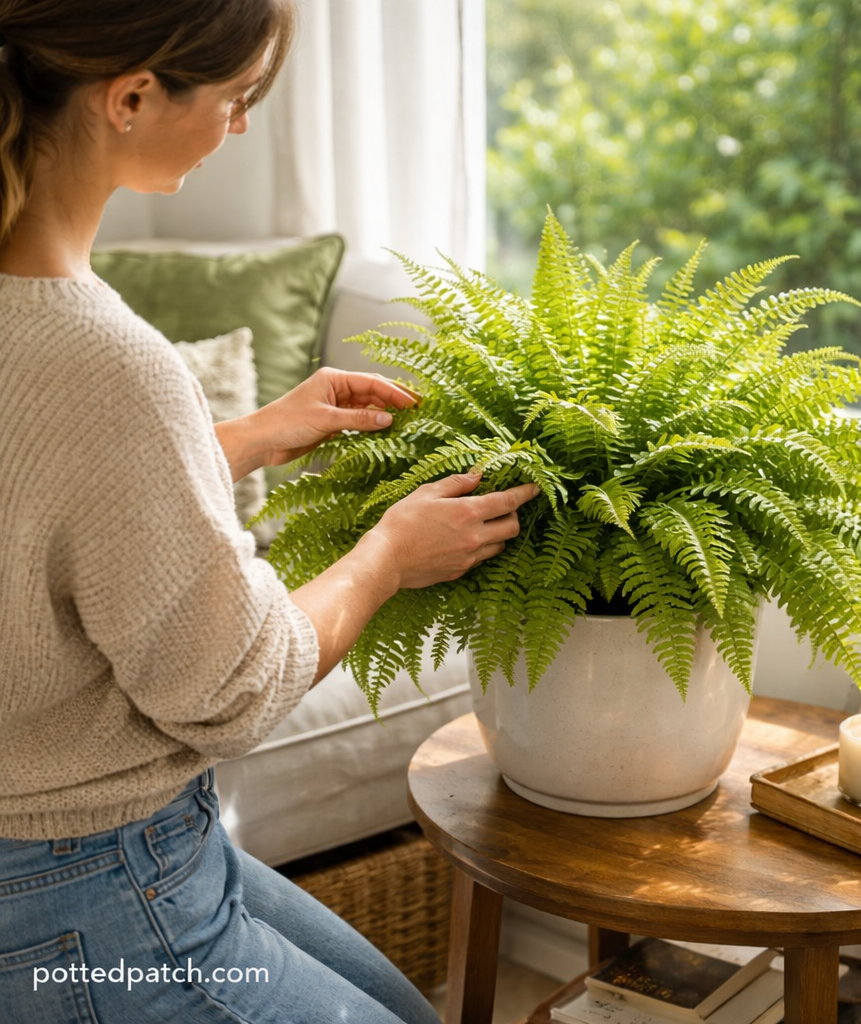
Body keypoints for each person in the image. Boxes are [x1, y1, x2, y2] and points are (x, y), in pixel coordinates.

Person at [0, 2, 538, 1021]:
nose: (239, 128)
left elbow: (35, 499)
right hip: (92, 891)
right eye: (237, 98)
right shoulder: (108, 362)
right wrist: (387, 554)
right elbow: (230, 689)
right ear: (130, 98)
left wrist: (247, 435)